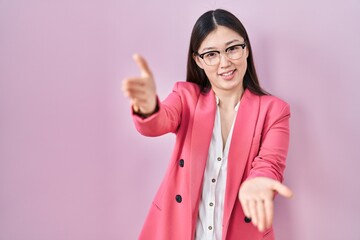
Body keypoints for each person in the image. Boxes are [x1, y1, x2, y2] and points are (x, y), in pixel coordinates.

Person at [122, 9, 293, 240]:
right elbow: (159, 121)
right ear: (198, 60)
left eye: (232, 48)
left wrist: (259, 183)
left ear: (246, 49)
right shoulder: (186, 97)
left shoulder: (275, 110)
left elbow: (270, 163)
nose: (224, 62)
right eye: (211, 54)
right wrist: (148, 107)